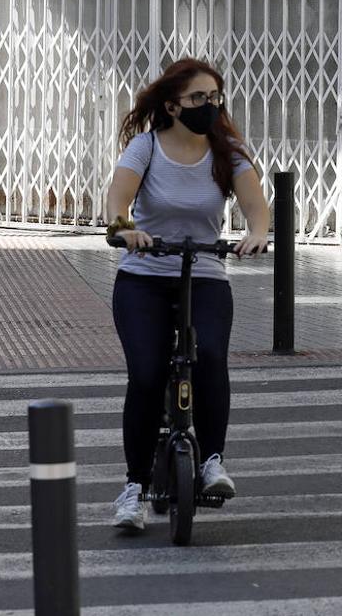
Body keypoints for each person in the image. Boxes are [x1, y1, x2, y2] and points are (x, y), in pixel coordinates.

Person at [103, 58, 270, 533]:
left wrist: (257, 233)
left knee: (212, 357)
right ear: (173, 105)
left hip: (205, 274)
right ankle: (133, 487)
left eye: (215, 97)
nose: (210, 106)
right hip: (143, 277)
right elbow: (118, 199)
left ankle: (212, 461)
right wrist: (125, 230)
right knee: (148, 373)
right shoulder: (146, 147)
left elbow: (258, 208)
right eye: (200, 98)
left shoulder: (227, 152)